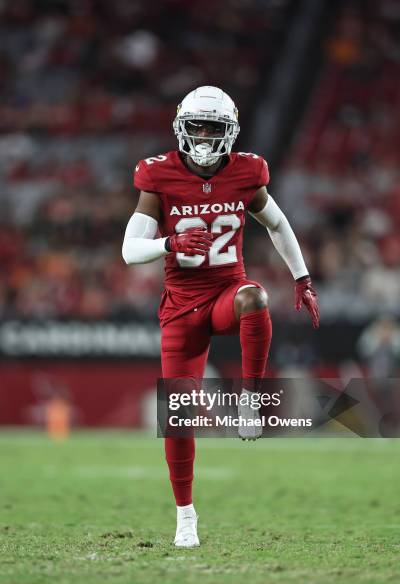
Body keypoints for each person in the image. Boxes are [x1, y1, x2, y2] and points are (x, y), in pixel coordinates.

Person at [122, 86, 319, 547]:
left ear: (231, 131)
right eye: (198, 127)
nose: (207, 137)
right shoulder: (159, 174)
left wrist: (302, 277)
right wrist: (169, 244)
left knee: (256, 297)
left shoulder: (247, 171)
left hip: (228, 290)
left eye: (215, 128)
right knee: (179, 415)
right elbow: (130, 250)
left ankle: (251, 400)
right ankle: (185, 516)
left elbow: (278, 223)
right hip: (182, 305)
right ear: (181, 128)